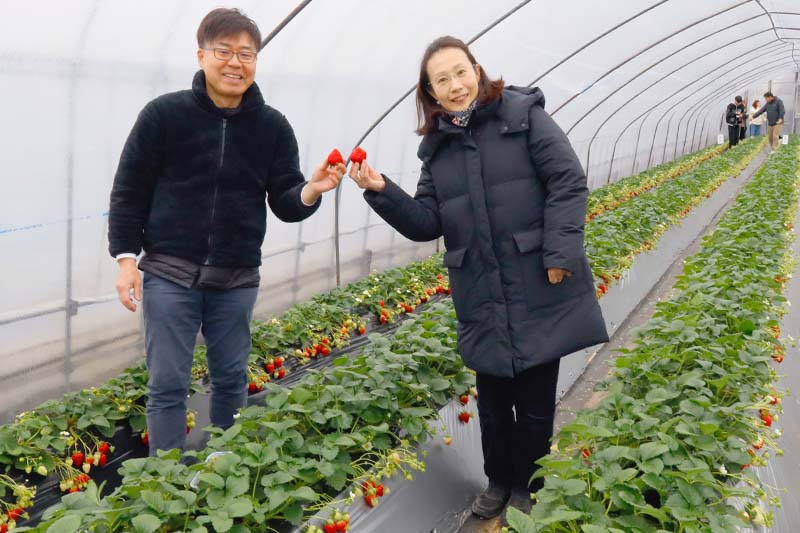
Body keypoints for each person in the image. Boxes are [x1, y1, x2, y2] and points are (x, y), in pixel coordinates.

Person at [349, 36, 608, 520]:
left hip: (535, 278)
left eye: (460, 72)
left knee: (535, 399)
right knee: (491, 400)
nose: (455, 86)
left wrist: (560, 252)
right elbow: (427, 222)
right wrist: (382, 190)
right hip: (480, 289)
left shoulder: (523, 115)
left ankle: (529, 484)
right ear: (430, 92)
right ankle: (498, 480)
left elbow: (567, 180)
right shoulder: (437, 149)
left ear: (477, 69)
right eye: (441, 80)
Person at [108, 8, 345, 455]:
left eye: (246, 54)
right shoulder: (164, 115)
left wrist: (312, 189)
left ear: (255, 61)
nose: (236, 62)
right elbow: (129, 191)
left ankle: (224, 467)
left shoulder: (272, 127)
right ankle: (164, 481)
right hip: (169, 274)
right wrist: (125, 261)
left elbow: (286, 201)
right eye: (224, 52)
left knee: (232, 379)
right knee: (167, 384)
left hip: (236, 279)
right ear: (202, 56)